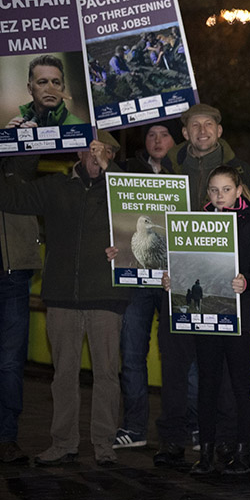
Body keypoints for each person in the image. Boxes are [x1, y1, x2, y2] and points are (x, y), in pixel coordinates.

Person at [0, 134, 128, 466]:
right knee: (64, 376)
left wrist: (109, 168)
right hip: (60, 297)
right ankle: (63, 442)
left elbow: (141, 203)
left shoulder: (120, 188)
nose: (97, 156)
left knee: (106, 375)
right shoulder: (55, 185)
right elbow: (12, 198)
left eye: (106, 152)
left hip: (106, 296)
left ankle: (103, 445)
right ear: (78, 150)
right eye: (92, 149)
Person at [165, 165, 250, 476]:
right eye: (213, 190)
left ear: (238, 191)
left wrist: (246, 283)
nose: (220, 196)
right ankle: (207, 452)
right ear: (206, 193)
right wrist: (173, 281)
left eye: (226, 189)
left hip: (238, 319)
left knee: (240, 385)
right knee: (207, 384)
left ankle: (244, 450)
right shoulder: (195, 224)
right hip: (205, 318)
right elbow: (185, 267)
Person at [108, 123, 182, 452]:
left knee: (178, 358)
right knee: (133, 356)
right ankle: (134, 427)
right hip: (136, 285)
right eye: (151, 135)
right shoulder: (125, 172)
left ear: (175, 140)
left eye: (164, 134)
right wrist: (111, 248)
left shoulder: (185, 171)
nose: (156, 140)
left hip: (172, 282)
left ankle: (185, 426)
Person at [0, 153, 42, 463]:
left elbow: (35, 148)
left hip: (13, 275)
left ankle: (6, 437)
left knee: (10, 361)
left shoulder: (17, 160)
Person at [167, 103, 250, 211]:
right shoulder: (168, 171)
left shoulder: (241, 172)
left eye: (208, 124)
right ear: (185, 133)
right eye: (195, 125)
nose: (202, 131)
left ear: (219, 131)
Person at [7, 55, 86, 128]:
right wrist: (9, 138)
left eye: (56, 83)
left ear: (63, 89)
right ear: (30, 88)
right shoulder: (16, 125)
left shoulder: (79, 127)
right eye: (42, 82)